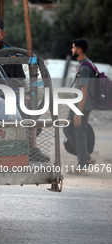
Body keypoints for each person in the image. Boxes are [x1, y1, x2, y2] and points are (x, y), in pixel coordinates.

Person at [0, 15, 50, 162]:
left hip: (7, 95)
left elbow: (20, 81)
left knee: (27, 103)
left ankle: (32, 148)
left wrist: (23, 95)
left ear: (2, 34)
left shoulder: (10, 53)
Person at [63, 38, 96, 172]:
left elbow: (84, 90)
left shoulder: (85, 68)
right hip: (78, 105)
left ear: (79, 50)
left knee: (79, 134)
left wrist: (78, 112)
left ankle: (83, 165)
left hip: (81, 106)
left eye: (73, 48)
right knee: (68, 129)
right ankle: (86, 158)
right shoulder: (84, 64)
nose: (72, 50)